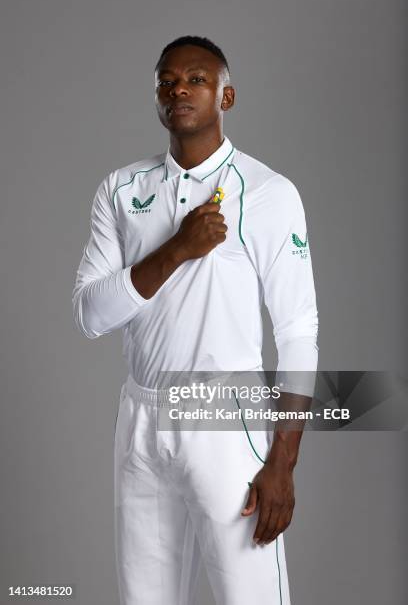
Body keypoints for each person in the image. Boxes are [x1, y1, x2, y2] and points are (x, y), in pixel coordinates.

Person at [72, 35, 318, 605]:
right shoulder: (121, 189)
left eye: (196, 79)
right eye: (166, 80)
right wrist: (177, 249)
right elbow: (89, 314)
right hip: (141, 416)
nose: (178, 88)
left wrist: (283, 460)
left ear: (226, 95)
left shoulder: (267, 193)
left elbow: (298, 332)